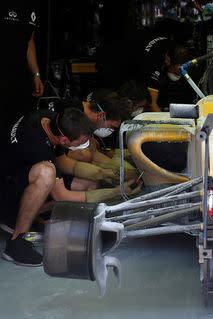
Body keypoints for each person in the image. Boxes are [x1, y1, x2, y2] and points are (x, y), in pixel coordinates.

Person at [0, 107, 141, 267]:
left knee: (89, 185)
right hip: (6, 194)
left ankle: (31, 218)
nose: (83, 146)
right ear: (64, 141)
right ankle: (17, 242)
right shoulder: (36, 144)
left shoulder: (53, 120)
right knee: (46, 173)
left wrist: (104, 173)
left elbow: (62, 161)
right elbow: (61, 195)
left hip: (22, 175)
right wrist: (115, 192)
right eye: (80, 143)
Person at [0, 1, 44, 144]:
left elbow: (29, 41)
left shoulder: (33, 6)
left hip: (19, 75)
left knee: (19, 121)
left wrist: (36, 74)